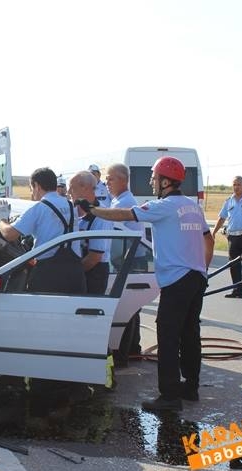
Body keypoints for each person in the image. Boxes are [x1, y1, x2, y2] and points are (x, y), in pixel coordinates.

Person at [82, 156, 214, 411]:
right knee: (190, 334)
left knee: (168, 336)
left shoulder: (163, 206)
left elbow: (123, 214)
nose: (152, 182)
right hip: (196, 278)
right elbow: (208, 240)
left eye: (154, 178)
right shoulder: (192, 207)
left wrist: (93, 210)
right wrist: (203, 269)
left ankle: (169, 397)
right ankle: (191, 387)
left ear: (165, 181)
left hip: (176, 280)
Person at [0, 167, 86, 294]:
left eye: (31, 187)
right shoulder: (71, 206)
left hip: (49, 275)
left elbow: (9, 234)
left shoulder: (39, 208)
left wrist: (2, 219)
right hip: (75, 273)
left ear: (37, 186)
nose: (31, 192)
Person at [106, 163, 146, 355]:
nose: (107, 183)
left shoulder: (123, 203)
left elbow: (111, 232)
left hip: (130, 259)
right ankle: (132, 348)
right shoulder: (118, 200)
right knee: (131, 309)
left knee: (127, 307)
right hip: (129, 257)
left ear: (123, 180)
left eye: (111, 178)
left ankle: (126, 350)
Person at [67, 171, 112, 294]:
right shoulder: (72, 211)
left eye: (71, 187)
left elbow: (94, 258)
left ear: (85, 188)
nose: (68, 191)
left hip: (93, 274)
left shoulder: (101, 215)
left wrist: (71, 276)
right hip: (79, 269)